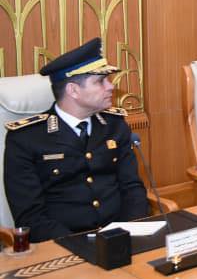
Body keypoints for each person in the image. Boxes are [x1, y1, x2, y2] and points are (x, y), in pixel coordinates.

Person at [3, 38, 147, 242]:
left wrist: (126, 234)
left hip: (121, 238)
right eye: (100, 81)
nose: (111, 86)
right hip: (62, 246)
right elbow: (31, 217)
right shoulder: (26, 138)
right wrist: (82, 246)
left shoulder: (115, 125)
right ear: (73, 90)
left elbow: (132, 189)